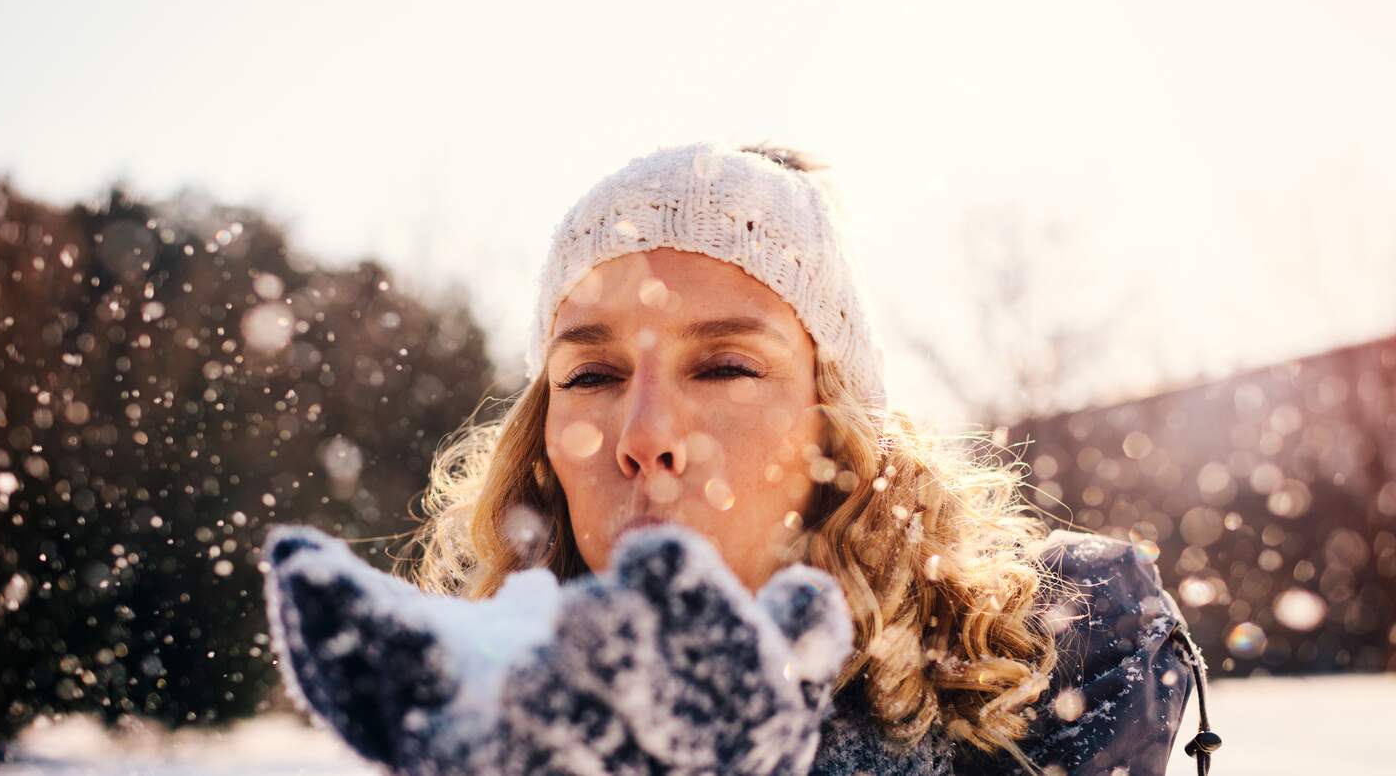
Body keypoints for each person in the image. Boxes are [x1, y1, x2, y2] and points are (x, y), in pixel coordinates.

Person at [396, 140, 1220, 775]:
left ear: (837, 433)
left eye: (724, 367)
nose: (644, 436)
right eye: (591, 375)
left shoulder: (1045, 708)